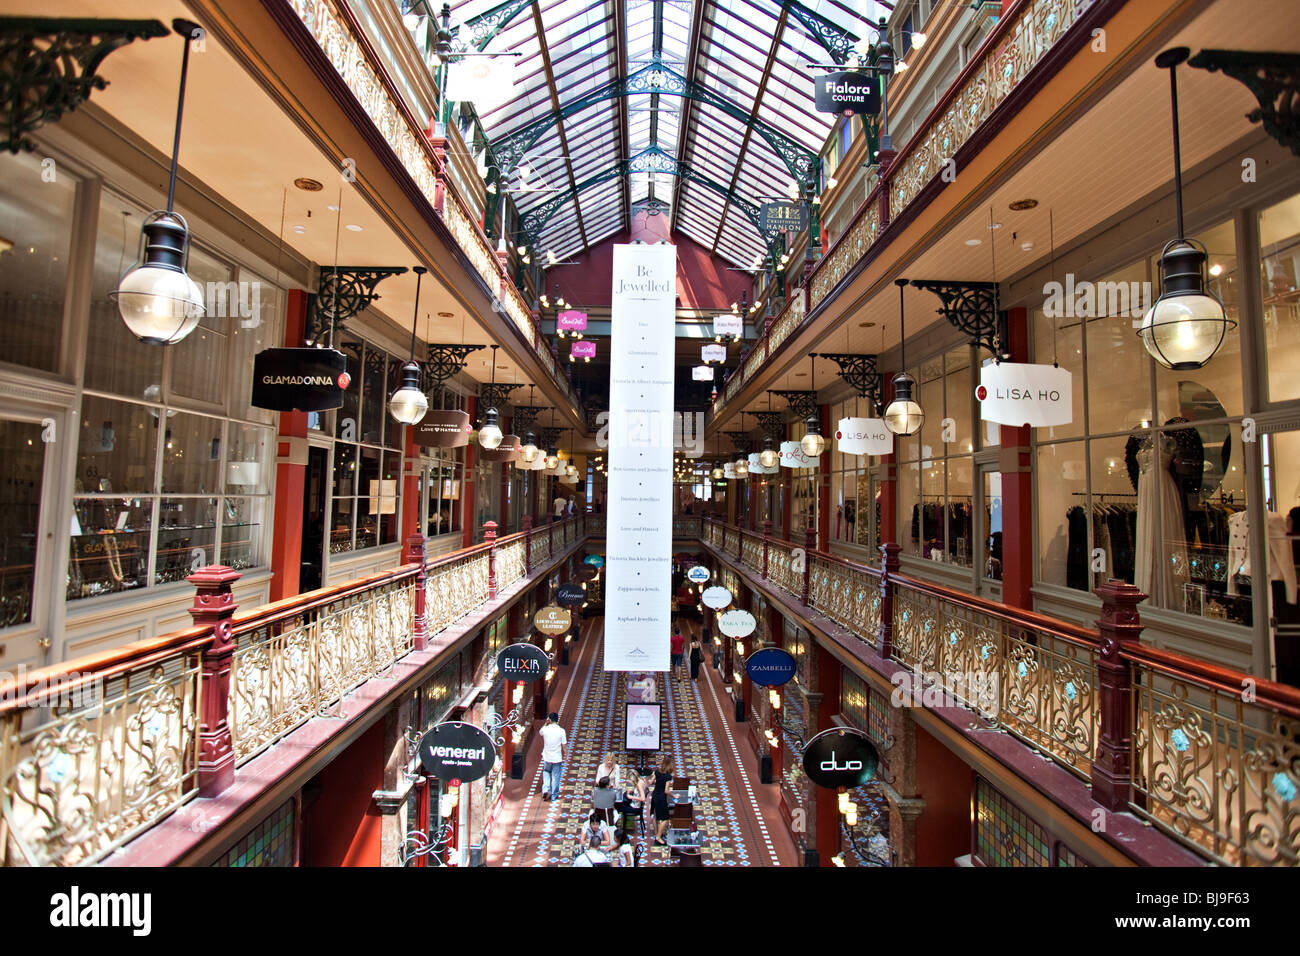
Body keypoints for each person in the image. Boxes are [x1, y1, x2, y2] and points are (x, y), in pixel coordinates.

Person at [539, 712, 566, 801]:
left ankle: (546, 789)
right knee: (556, 777)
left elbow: (540, 732)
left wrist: (546, 723)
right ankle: (554, 795)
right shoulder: (561, 731)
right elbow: (564, 745)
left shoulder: (545, 729)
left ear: (549, 719)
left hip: (547, 756)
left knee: (546, 772)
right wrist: (566, 754)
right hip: (557, 758)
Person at [651, 755, 674, 846]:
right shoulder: (668, 777)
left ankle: (657, 833)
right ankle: (658, 837)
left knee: (655, 816)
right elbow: (666, 791)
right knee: (665, 819)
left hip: (654, 796)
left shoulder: (657, 772)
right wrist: (673, 794)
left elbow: (652, 781)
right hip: (661, 798)